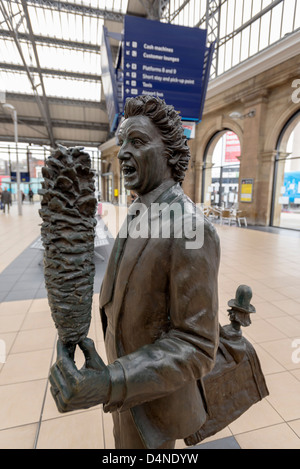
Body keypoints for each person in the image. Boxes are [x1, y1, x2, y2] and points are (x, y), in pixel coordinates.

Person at [49, 95, 220, 449]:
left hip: (156, 404)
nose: (123, 151)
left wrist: (113, 380)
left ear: (170, 156)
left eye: (137, 142)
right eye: (122, 141)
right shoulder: (140, 210)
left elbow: (199, 345)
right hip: (129, 389)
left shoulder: (190, 228)